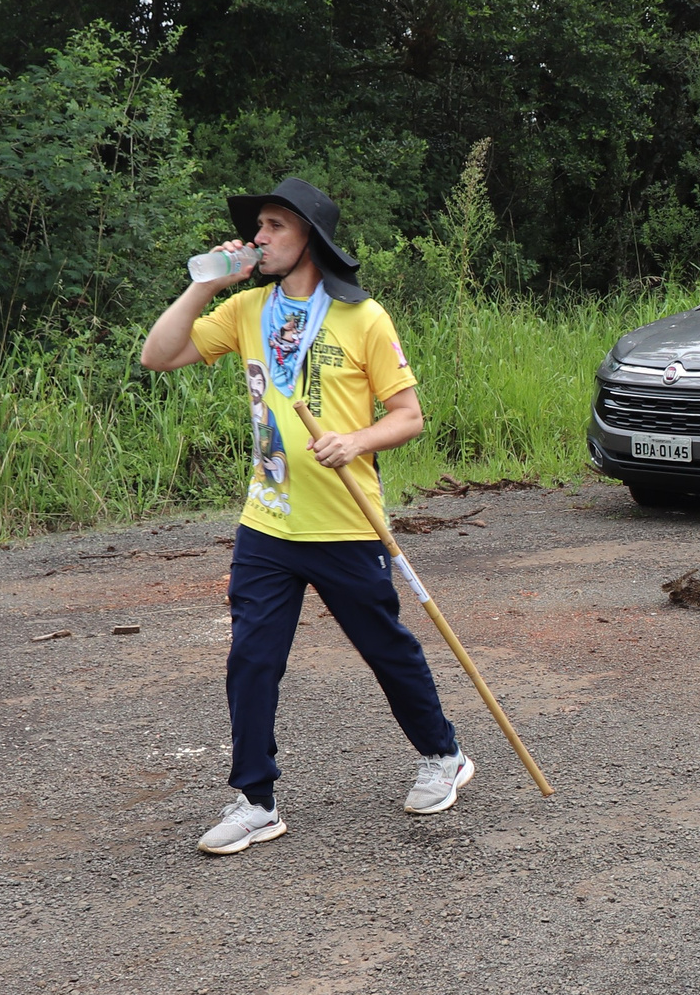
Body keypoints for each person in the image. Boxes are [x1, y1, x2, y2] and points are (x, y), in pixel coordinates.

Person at [142, 177, 473, 854]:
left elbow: (408, 416)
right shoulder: (246, 311)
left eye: (273, 227)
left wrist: (355, 440)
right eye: (257, 226)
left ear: (309, 240)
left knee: (385, 648)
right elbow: (158, 355)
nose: (258, 238)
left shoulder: (364, 318)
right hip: (267, 523)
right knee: (252, 659)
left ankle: (445, 754)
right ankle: (255, 800)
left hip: (346, 523)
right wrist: (208, 280)